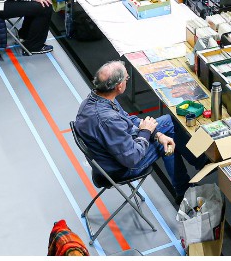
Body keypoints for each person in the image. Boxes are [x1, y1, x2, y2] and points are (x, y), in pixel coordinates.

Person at [74, 61, 187, 197]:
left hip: (112, 154)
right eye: (126, 78)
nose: (127, 81)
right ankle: (184, 190)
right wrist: (146, 132)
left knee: (168, 121)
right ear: (119, 86)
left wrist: (157, 134)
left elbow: (127, 119)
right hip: (122, 168)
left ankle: (195, 169)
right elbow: (132, 158)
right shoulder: (108, 120)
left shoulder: (97, 99)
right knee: (167, 143)